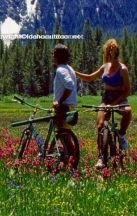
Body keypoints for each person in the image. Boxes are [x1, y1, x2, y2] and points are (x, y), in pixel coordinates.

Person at [75, 38, 132, 169]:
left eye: (112, 50)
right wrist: (75, 73)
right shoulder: (104, 67)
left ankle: (121, 134)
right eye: (108, 50)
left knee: (128, 112)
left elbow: (127, 91)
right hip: (106, 98)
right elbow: (90, 77)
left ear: (116, 52)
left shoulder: (123, 69)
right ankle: (101, 156)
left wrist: (114, 103)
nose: (109, 53)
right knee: (100, 125)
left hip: (120, 99)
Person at [52, 43, 79, 167]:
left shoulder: (61, 70)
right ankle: (71, 163)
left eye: (54, 54)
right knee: (66, 137)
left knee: (64, 137)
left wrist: (59, 101)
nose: (52, 57)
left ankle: (70, 164)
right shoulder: (69, 68)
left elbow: (69, 85)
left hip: (63, 108)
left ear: (57, 56)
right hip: (70, 107)